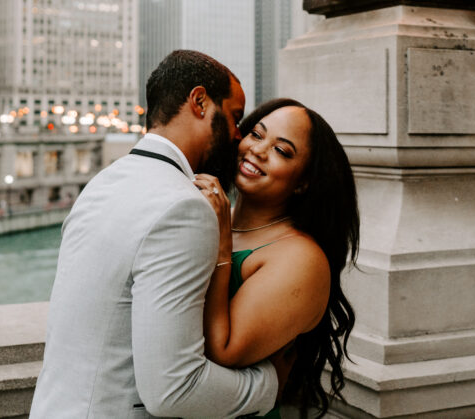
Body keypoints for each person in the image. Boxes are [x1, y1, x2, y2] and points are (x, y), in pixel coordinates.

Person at [31, 50, 288, 418]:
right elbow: (173, 390)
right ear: (199, 102)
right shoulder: (183, 208)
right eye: (233, 117)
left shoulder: (102, 183)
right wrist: (268, 385)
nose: (237, 135)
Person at [194, 98, 359, 418]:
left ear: (304, 182)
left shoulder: (301, 258)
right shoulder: (215, 218)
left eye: (282, 151)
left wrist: (221, 247)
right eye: (256, 135)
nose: (257, 149)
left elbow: (223, 351)